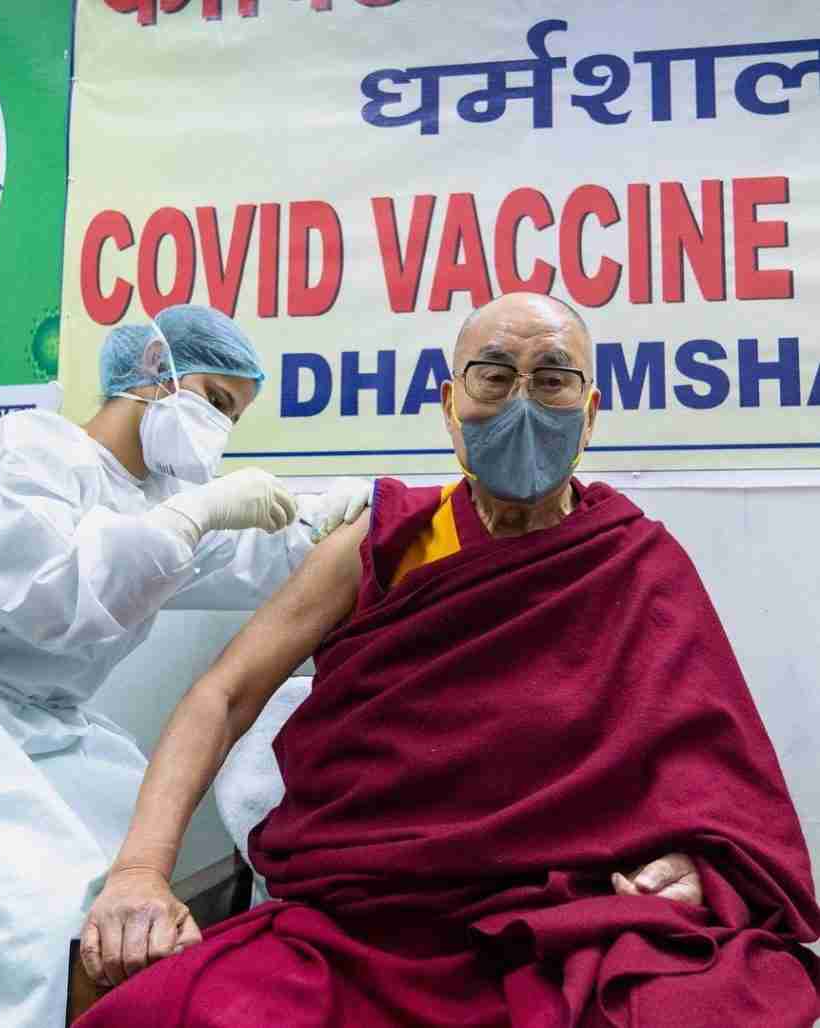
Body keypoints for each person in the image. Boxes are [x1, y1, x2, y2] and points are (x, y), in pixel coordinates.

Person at [75, 293, 820, 1027]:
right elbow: (224, 695)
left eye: (552, 379)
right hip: (365, 929)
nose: (522, 402)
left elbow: (717, 779)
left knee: (727, 1004)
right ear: (450, 403)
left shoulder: (633, 561)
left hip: (570, 924)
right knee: (166, 1011)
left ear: (589, 414)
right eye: (494, 376)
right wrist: (141, 870)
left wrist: (700, 869)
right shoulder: (381, 545)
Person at [0, 303, 371, 1028]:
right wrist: (196, 516)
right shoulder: (26, 452)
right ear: (156, 374)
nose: (221, 429)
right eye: (217, 402)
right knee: (26, 928)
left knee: (136, 908)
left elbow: (263, 553)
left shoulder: (158, 503)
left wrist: (345, 515)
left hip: (37, 743)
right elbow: (54, 594)